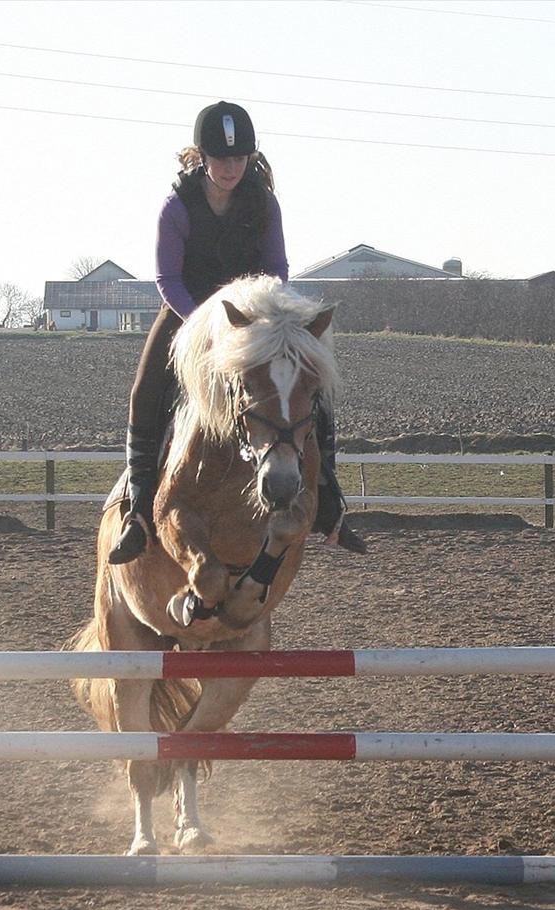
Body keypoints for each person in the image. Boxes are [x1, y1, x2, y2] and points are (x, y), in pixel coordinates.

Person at [108, 101, 365, 565]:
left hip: (258, 322)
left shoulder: (263, 202)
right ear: (202, 157)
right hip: (188, 316)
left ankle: (330, 506)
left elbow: (278, 268)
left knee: (313, 394)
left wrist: (269, 322)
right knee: (145, 391)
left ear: (249, 159)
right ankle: (139, 512)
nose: (230, 167)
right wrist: (207, 325)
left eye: (239, 158)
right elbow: (168, 280)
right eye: (221, 158)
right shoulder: (176, 208)